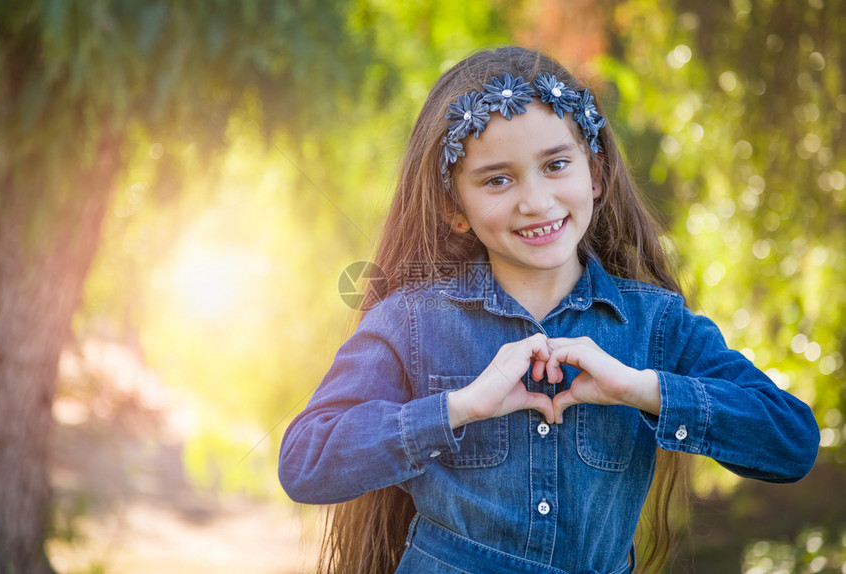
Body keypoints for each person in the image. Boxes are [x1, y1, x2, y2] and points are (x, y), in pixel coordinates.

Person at [278, 46, 819, 574]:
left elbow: (791, 442)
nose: (535, 201)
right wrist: (459, 408)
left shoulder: (656, 325)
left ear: (596, 174)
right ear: (454, 208)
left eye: (556, 164)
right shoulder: (410, 323)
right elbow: (304, 462)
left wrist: (640, 389)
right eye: (497, 179)